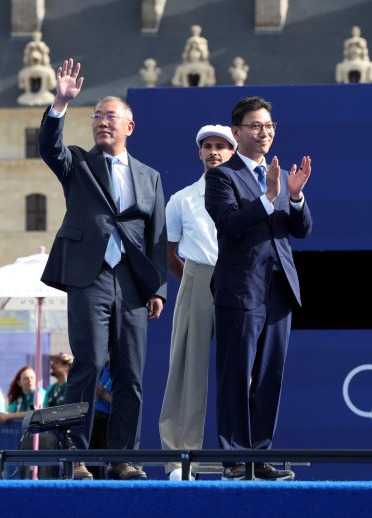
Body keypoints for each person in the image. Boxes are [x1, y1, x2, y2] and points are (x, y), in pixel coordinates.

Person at [38, 59, 167, 481]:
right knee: (89, 364)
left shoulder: (150, 176)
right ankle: (75, 459)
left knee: (131, 372)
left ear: (130, 126)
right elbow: (48, 147)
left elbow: (158, 237)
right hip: (88, 276)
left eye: (110, 117)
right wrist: (60, 103)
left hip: (131, 283)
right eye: (96, 117)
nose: (101, 123)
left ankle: (122, 459)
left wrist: (158, 289)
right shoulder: (77, 164)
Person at [204, 96, 313, 481]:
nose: (264, 132)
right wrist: (268, 197)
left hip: (280, 289)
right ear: (236, 132)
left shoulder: (279, 174)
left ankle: (261, 456)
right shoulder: (221, 175)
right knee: (235, 374)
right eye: (255, 126)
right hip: (241, 288)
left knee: (270, 375)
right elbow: (230, 224)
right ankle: (234, 459)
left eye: (269, 126)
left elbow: (299, 230)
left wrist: (295, 196)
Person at [158, 124, 236, 481]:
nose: (214, 152)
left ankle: (239, 458)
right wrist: (192, 281)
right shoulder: (182, 198)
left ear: (234, 152)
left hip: (239, 282)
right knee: (187, 370)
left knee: (240, 373)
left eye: (221, 146)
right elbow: (168, 252)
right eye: (208, 146)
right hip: (196, 278)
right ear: (199, 153)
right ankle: (179, 459)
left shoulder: (249, 196)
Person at [88, 360, 112, 480]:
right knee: (90, 463)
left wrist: (103, 394)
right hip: (92, 421)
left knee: (105, 463)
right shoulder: (99, 368)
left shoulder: (118, 370)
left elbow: (122, 404)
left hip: (106, 422)